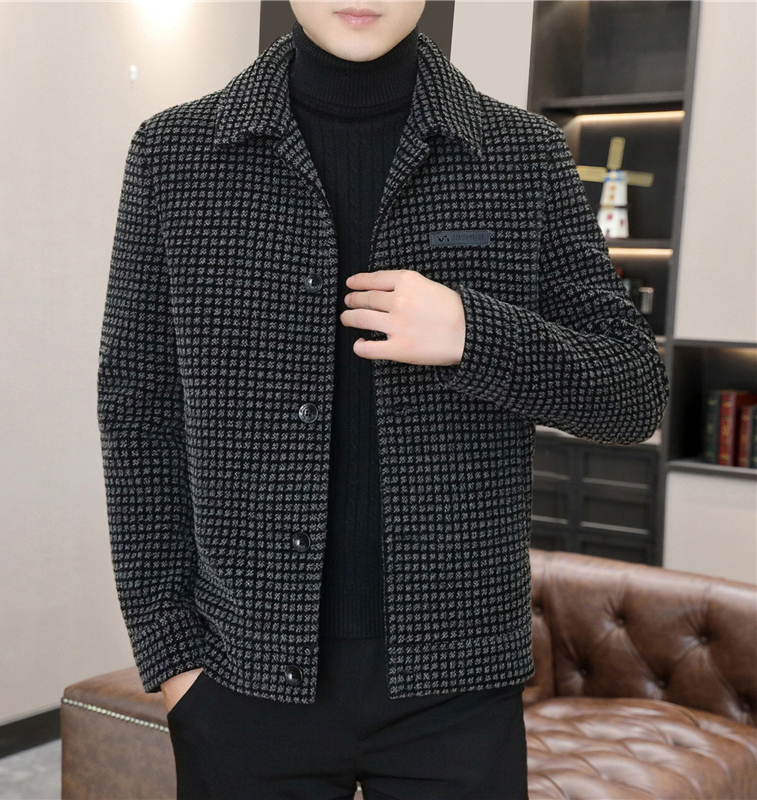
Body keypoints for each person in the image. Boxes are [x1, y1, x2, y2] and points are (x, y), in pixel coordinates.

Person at [97, 2, 669, 798]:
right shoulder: (174, 154)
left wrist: (473, 332)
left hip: (458, 694)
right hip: (240, 687)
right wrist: (172, 657)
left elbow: (635, 390)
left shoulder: (522, 153)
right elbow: (137, 413)